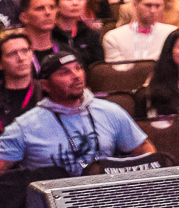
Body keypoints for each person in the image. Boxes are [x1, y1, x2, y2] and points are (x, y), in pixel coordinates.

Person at [0, 49, 155, 175]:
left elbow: (145, 150)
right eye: (64, 72)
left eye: (78, 68)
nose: (76, 76)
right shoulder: (25, 126)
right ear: (46, 85)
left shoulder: (109, 111)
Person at [103, 0, 179, 61]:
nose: (153, 11)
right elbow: (117, 71)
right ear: (135, 4)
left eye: (157, 6)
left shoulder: (172, 34)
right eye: (148, 5)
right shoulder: (114, 37)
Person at [0, 33, 41, 128]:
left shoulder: (47, 92)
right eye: (12, 54)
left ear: (32, 54)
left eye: (25, 51)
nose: (21, 58)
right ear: (1, 63)